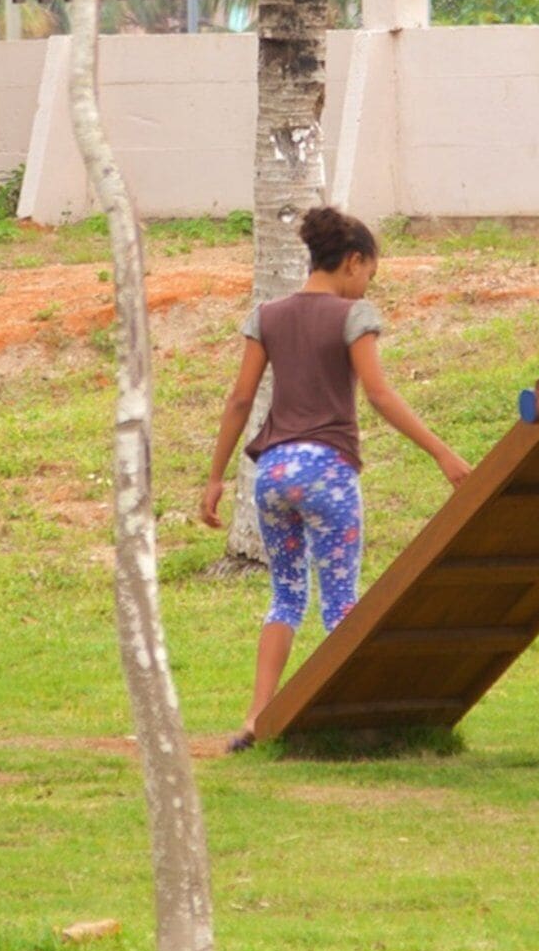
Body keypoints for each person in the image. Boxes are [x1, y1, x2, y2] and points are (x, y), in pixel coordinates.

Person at [200, 206, 473, 751]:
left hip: (272, 473)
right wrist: (442, 453)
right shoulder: (354, 316)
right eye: (369, 271)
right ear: (352, 262)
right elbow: (379, 394)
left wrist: (213, 479)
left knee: (286, 596)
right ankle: (349, 717)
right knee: (342, 600)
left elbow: (239, 399)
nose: (367, 284)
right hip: (328, 471)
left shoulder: (268, 315)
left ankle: (257, 717)